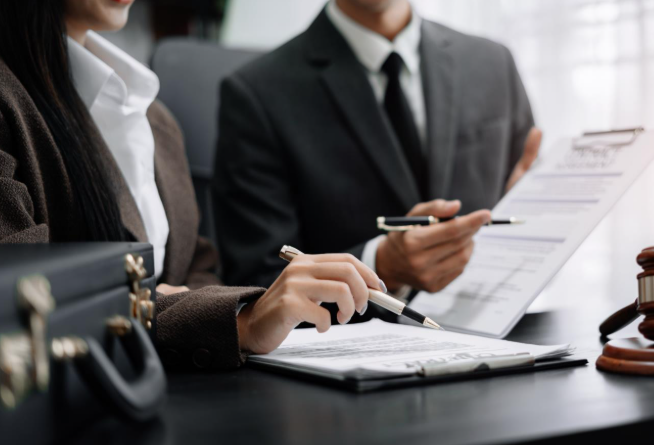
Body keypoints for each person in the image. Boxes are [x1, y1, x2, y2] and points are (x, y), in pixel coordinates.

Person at [0, 0, 383, 370]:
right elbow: (24, 301)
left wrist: (175, 306)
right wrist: (237, 320)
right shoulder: (11, 101)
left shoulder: (151, 115)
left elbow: (197, 270)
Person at [213, 0, 542, 306]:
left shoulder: (493, 63)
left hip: (493, 333)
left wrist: (537, 217)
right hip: (343, 349)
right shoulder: (257, 94)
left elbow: (528, 207)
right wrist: (380, 266)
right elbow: (256, 285)